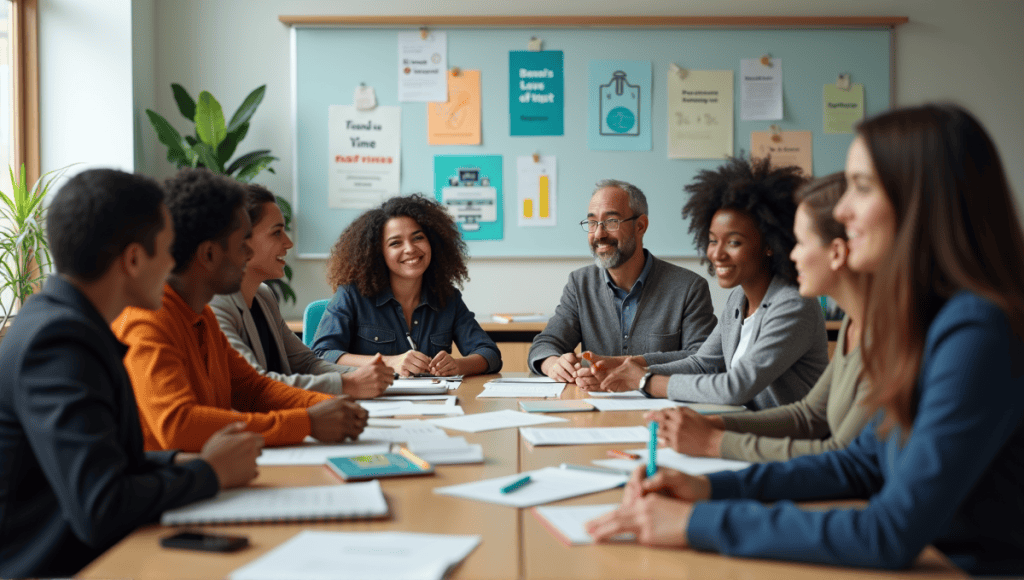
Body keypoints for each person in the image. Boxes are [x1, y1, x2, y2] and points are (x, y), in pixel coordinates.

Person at [586, 104, 1024, 575]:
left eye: (862, 187)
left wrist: (697, 521)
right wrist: (710, 489)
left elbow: (891, 532)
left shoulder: (977, 330)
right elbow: (860, 465)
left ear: (923, 198)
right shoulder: (920, 321)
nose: (842, 210)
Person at [0, 169, 262, 578]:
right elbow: (101, 504)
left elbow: (107, 463)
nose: (174, 263)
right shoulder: (59, 342)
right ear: (134, 259)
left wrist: (181, 461)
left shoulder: (70, 324)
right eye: (167, 250)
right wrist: (208, 473)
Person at [115, 168, 368, 452]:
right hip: (172, 488)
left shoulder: (201, 315)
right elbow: (178, 425)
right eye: (240, 245)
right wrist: (306, 422)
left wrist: (329, 406)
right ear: (209, 255)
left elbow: (253, 388)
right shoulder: (148, 320)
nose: (248, 255)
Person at [650, 173, 873, 461]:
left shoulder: (803, 306)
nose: (791, 255)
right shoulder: (853, 326)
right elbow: (809, 416)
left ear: (838, 253)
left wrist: (714, 442)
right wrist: (714, 426)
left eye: (800, 243)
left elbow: (842, 457)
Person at [589, 157, 828, 410]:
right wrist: (628, 370)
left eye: (734, 242)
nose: (717, 254)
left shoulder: (792, 304)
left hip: (782, 443)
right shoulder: (739, 298)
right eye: (713, 241)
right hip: (742, 430)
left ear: (770, 244)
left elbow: (735, 388)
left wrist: (645, 381)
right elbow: (703, 364)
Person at [210, 184, 393, 398]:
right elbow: (254, 384)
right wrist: (347, 384)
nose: (288, 243)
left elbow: (305, 363)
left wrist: (369, 376)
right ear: (239, 240)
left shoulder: (263, 296)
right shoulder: (216, 304)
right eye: (276, 232)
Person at [527, 179, 717, 384]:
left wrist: (627, 365)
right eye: (592, 223)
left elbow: (704, 359)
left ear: (641, 226)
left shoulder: (689, 287)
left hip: (662, 407)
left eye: (611, 222)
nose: (599, 234)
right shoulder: (580, 283)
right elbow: (545, 344)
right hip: (597, 408)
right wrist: (553, 364)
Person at [311, 194, 501, 377]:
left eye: (418, 238)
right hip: (371, 402)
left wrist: (458, 365)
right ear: (378, 253)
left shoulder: (447, 297)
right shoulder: (351, 295)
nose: (410, 249)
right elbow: (321, 355)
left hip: (434, 404)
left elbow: (490, 354)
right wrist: (389, 362)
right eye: (395, 243)